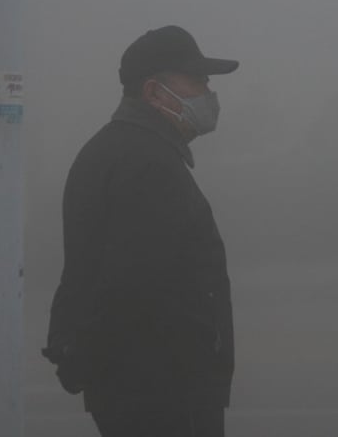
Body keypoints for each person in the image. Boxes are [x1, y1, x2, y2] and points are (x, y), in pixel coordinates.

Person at [44, 25, 238, 437]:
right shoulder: (148, 165)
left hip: (136, 385)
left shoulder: (113, 150)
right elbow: (136, 284)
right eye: (197, 80)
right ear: (153, 92)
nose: (208, 92)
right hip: (163, 388)